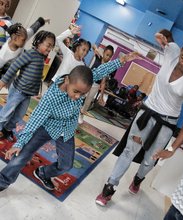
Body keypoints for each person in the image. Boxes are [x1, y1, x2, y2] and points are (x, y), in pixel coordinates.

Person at [0, 52, 139, 192]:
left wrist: (122, 60)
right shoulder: (51, 97)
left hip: (66, 131)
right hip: (46, 127)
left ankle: (43, 173)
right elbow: (35, 120)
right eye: (76, 91)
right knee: (22, 155)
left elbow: (99, 71)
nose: (77, 96)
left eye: (82, 94)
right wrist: (19, 143)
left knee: (66, 165)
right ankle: (3, 181)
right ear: (67, 80)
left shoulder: (81, 80)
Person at [95, 31, 183, 207]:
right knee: (129, 150)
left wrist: (172, 149)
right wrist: (161, 34)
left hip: (166, 124)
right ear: (181, 50)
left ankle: (138, 179)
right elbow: (167, 36)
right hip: (146, 113)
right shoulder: (173, 51)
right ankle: (109, 187)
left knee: (150, 159)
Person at [0, 30, 56, 142]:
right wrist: (3, 82)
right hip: (18, 91)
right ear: (39, 42)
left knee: (19, 115)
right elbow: (14, 66)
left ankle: (7, 129)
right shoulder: (30, 54)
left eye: (52, 47)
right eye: (48, 46)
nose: (50, 49)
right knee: (7, 112)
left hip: (27, 94)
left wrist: (37, 91)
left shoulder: (41, 57)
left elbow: (36, 76)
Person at [80, 44, 115, 114]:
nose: (108, 57)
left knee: (88, 101)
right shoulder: (98, 57)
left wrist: (101, 96)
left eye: (110, 56)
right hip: (87, 81)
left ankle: (81, 114)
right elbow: (93, 46)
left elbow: (103, 82)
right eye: (107, 54)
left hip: (96, 85)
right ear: (104, 52)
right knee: (80, 96)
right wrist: (96, 49)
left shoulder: (107, 67)